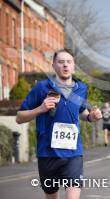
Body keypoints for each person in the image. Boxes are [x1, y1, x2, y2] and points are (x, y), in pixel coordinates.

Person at [16, 49, 102, 199]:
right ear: (54, 65)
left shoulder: (81, 89)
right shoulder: (42, 88)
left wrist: (91, 117)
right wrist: (41, 109)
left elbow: (81, 112)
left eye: (69, 62)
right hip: (48, 154)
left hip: (73, 153)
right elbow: (19, 117)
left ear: (74, 66)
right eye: (61, 62)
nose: (65, 65)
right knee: (51, 196)